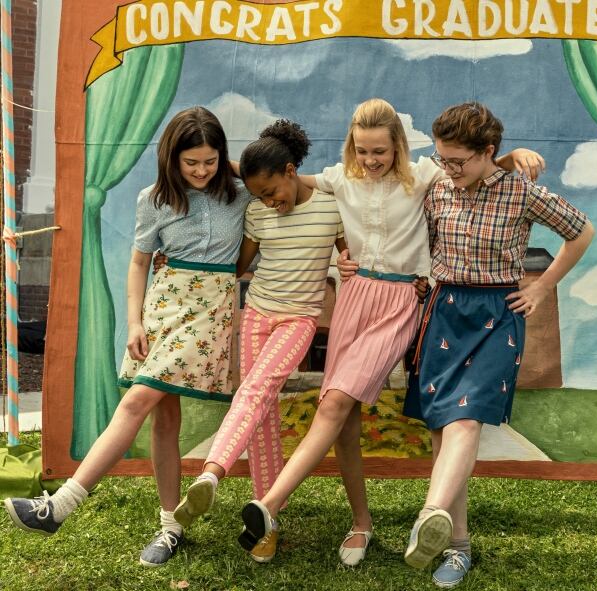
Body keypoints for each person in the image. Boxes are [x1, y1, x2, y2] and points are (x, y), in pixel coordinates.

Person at [234, 98, 546, 567]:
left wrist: (510, 155)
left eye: (379, 150)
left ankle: (271, 505)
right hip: (354, 298)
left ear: (397, 145)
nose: (371, 160)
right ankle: (360, 522)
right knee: (341, 414)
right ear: (351, 147)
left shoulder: (424, 176)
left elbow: (475, 166)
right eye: (362, 151)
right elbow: (285, 182)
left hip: (400, 302)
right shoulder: (340, 179)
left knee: (336, 400)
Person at [3, 106, 253, 567]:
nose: (200, 171)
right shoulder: (153, 198)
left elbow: (286, 181)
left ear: (223, 157)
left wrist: (233, 166)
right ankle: (170, 528)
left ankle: (61, 505)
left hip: (209, 312)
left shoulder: (240, 194)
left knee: (136, 402)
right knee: (164, 419)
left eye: (210, 160)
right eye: (190, 162)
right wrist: (135, 322)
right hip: (162, 307)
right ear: (170, 159)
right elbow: (140, 263)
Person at [401, 102, 595, 588]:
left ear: (488, 152)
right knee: (443, 433)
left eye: (459, 160)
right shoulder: (437, 188)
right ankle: (457, 545)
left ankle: (430, 514)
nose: (449, 168)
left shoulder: (520, 192)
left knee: (467, 420)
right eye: (443, 158)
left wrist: (542, 285)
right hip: (442, 312)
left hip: (496, 316)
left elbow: (582, 231)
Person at [171, 119, 347, 564]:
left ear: (291, 171)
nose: (270, 202)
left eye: (273, 192)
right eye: (261, 196)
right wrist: (182, 273)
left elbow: (351, 255)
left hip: (299, 320)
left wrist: (353, 267)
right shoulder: (257, 211)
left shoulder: (331, 207)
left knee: (254, 391)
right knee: (261, 415)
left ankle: (211, 473)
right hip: (257, 317)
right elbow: (237, 269)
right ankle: (265, 522)